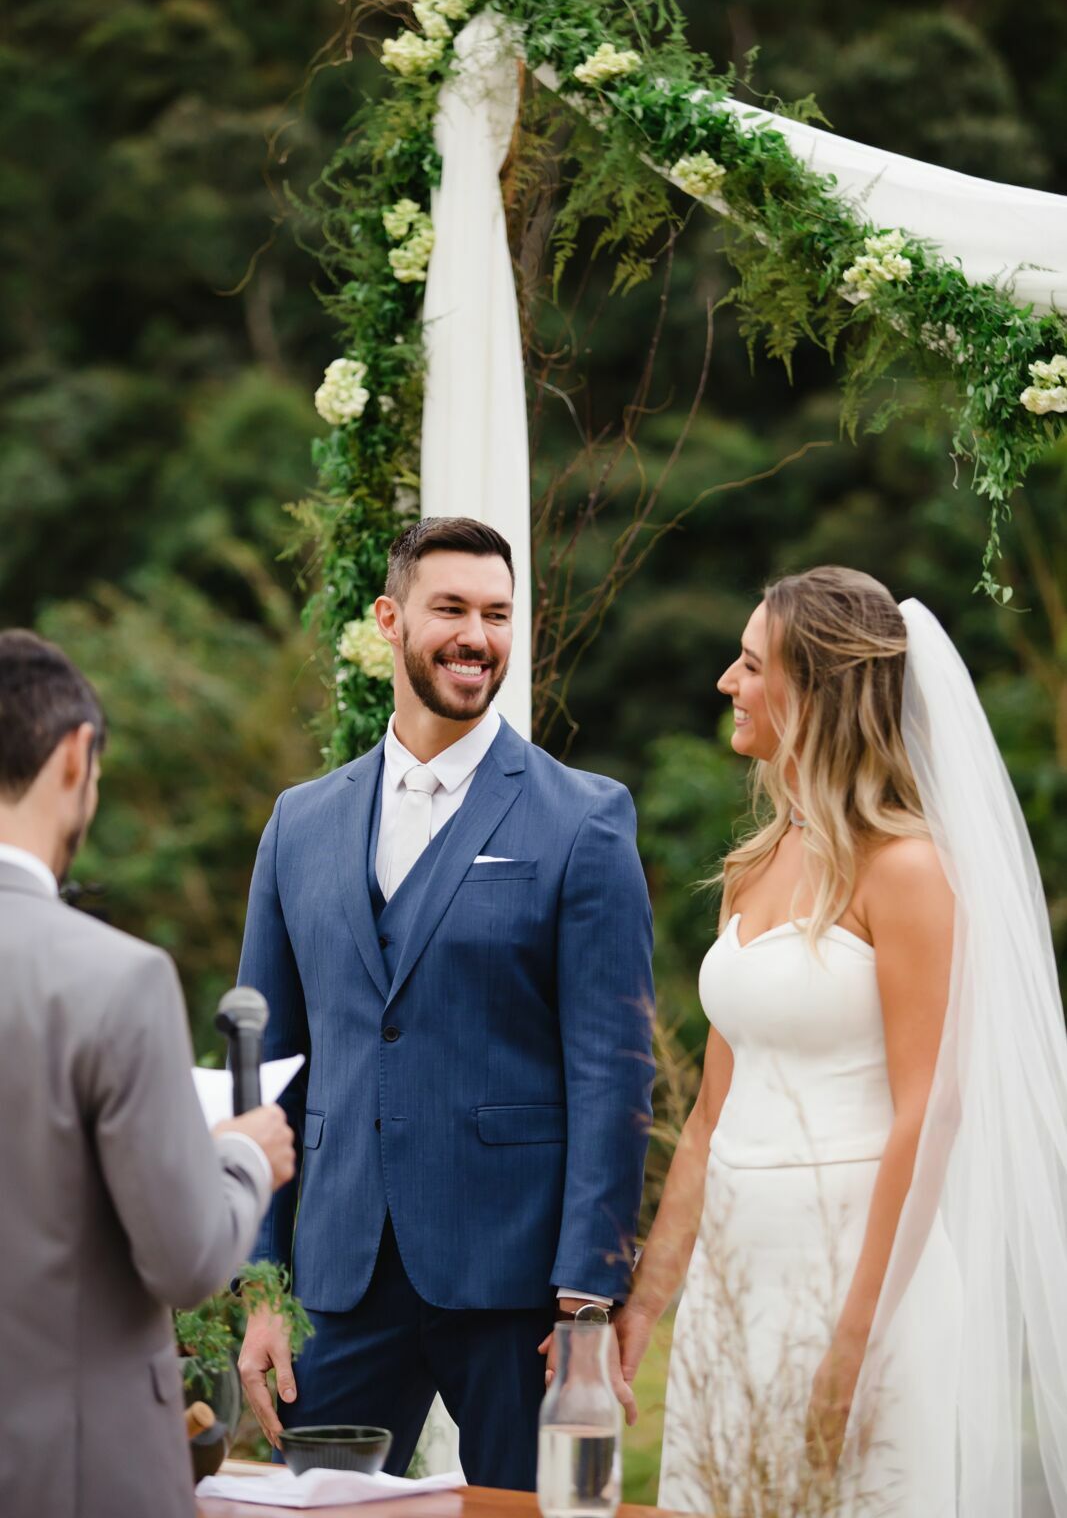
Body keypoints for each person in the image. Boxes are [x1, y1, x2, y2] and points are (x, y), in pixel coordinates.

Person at [617, 567, 1067, 1517]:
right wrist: (649, 1306)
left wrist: (853, 1345)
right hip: (735, 1289)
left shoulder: (907, 871)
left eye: (748, 665)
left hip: (858, 1288)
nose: (725, 683)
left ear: (813, 691)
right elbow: (706, 1118)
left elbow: (928, 1112)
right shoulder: (756, 862)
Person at [236, 516, 655, 1488]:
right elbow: (266, 1066)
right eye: (451, 609)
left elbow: (611, 1067)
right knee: (306, 1514)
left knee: (531, 1514)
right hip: (336, 1276)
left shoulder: (582, 818)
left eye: (497, 614)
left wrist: (587, 1294)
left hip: (515, 1285)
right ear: (389, 618)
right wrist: (260, 1284)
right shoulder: (300, 823)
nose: (477, 635)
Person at [0, 629, 297, 1518]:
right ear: (75, 755)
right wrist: (242, 1158)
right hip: (75, 1472)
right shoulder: (116, 979)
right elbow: (184, 1257)